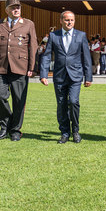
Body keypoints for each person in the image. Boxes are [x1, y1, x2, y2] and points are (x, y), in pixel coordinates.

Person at [0, 0, 38, 142]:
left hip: (20, 67)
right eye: (13, 8)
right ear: (7, 10)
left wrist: (32, 68)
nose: (16, 10)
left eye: (18, 7)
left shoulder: (28, 24)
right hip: (0, 67)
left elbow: (33, 47)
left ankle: (15, 130)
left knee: (19, 100)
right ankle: (5, 126)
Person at [40, 11, 93, 144]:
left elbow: (86, 57)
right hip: (59, 76)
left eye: (72, 20)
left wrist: (88, 77)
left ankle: (75, 131)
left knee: (74, 102)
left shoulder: (81, 36)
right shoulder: (54, 35)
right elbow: (46, 55)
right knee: (61, 104)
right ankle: (64, 133)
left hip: (75, 76)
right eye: (67, 20)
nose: (69, 22)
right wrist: (43, 74)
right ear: (61, 21)